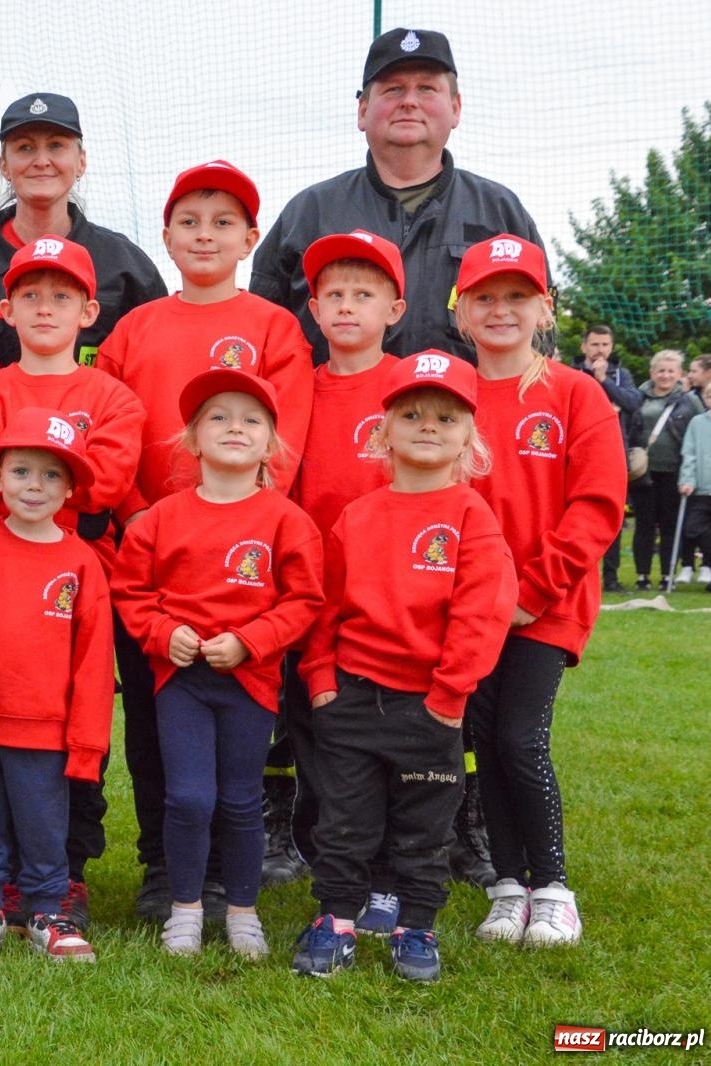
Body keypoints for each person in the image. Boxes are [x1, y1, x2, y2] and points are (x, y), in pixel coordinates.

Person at [97, 160, 313, 919]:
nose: (205, 235)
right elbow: (111, 439)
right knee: (158, 720)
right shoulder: (136, 328)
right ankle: (164, 866)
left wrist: (239, 537)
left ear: (251, 238)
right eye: (189, 221)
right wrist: (140, 524)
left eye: (223, 222)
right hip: (152, 563)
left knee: (238, 724)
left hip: (244, 571)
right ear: (166, 236)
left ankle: (227, 868)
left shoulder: (272, 328)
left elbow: (282, 449)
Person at [293, 352, 516, 982]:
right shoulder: (356, 517)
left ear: (469, 435)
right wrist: (321, 680)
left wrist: (448, 698)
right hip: (353, 701)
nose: (428, 426)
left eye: (447, 417)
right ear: (382, 429)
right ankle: (334, 919)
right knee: (343, 822)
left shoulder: (472, 516)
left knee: (423, 828)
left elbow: (483, 612)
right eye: (411, 413)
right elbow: (325, 607)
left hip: (430, 706)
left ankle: (415, 926)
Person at [0, 235, 142, 930]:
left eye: (61, 296)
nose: (44, 307)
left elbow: (107, 485)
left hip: (85, 582)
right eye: (30, 294)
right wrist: (42, 496)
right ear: (4, 308)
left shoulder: (112, 397)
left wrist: (35, 495)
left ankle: (68, 873)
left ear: (89, 311)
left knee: (72, 725)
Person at [111, 370, 323, 960]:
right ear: (192, 440)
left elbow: (303, 600)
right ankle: (184, 908)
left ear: (271, 444)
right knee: (187, 798)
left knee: (238, 798)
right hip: (182, 684)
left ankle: (242, 911)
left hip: (249, 684)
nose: (235, 427)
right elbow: (132, 593)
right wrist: (163, 632)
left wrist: (251, 642)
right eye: (218, 417)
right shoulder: (158, 520)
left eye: (251, 419)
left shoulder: (287, 521)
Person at [454, 235, 625, 948]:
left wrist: (534, 592)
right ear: (460, 312)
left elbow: (597, 504)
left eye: (517, 297)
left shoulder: (573, 393)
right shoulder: (447, 396)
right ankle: (507, 885)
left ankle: (552, 887)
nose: (501, 311)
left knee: (522, 739)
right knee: (485, 745)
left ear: (544, 309)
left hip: (544, 607)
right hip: (470, 612)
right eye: (485, 298)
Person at [251, 28, 543, 366]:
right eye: (392, 89)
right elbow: (262, 334)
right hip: (331, 416)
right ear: (362, 111)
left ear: (455, 108)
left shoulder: (501, 213)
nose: (409, 101)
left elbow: (540, 338)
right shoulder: (309, 213)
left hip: (471, 418)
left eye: (426, 88)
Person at [0, 408, 113, 963]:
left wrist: (86, 746)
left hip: (47, 730)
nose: (34, 486)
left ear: (70, 491)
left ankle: (47, 911)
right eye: (21, 471)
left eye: (51, 475)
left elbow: (92, 664)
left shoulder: (82, 563)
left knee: (44, 825)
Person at [284, 229, 405, 930]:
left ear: (396, 306)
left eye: (365, 294)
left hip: (393, 602)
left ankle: (391, 875)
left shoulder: (411, 383)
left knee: (395, 742)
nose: (348, 306)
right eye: (334, 294)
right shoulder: (298, 386)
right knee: (326, 744)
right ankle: (339, 873)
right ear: (313, 306)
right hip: (314, 601)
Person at [0, 92, 167, 369]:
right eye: (25, 148)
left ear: (81, 162)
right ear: (4, 165)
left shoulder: (125, 265)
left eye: (56, 146)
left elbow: (158, 359)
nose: (41, 160)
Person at [573, 325, 641, 592]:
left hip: (612, 456)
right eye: (595, 344)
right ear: (584, 347)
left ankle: (610, 579)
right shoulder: (572, 373)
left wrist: (605, 381)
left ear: (611, 348)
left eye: (604, 345)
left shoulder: (620, 376)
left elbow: (634, 404)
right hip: (576, 456)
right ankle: (576, 576)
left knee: (611, 519)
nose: (599, 350)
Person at [630, 350, 695, 590]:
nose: (665, 375)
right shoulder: (638, 397)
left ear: (679, 374)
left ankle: (668, 575)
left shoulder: (689, 401)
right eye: (661, 370)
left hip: (673, 472)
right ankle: (642, 575)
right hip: (643, 472)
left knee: (669, 525)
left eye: (671, 371)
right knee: (644, 525)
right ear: (652, 372)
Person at [676, 355, 711, 584]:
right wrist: (687, 479)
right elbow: (689, 453)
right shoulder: (697, 423)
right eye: (710, 396)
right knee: (694, 527)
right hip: (702, 489)